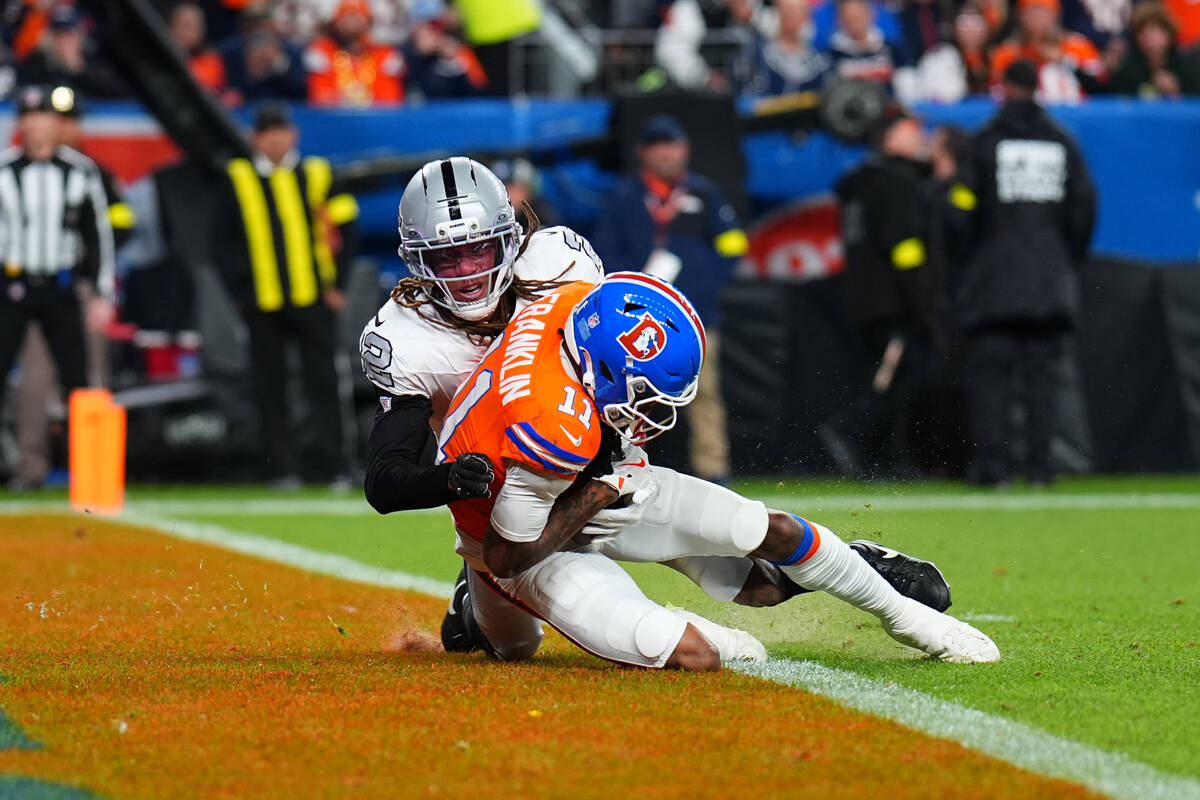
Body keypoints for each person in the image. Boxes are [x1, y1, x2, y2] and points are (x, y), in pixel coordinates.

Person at [362, 157, 955, 654]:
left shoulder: (556, 264)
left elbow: (617, 368)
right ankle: (475, 606)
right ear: (417, 260)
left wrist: (609, 459)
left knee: (748, 579)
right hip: (509, 497)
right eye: (448, 259)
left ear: (510, 238)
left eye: (480, 250)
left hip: (601, 464)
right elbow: (387, 479)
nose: (467, 274)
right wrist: (451, 481)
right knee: (512, 647)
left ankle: (849, 561)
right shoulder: (408, 340)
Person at [436, 271, 1000, 670]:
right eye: (645, 401)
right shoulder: (547, 427)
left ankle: (904, 616)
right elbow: (507, 554)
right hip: (517, 537)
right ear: (597, 370)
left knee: (766, 544)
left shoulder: (581, 302)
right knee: (681, 654)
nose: (654, 419)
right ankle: (476, 609)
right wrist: (601, 491)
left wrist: (609, 484)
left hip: (599, 483)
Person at [957, 60, 1096, 487]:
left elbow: (963, 209)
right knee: (1043, 383)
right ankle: (1040, 469)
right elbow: (1084, 207)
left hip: (994, 282)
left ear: (1003, 88)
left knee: (992, 381)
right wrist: (1061, 258)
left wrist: (971, 260)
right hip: (1050, 283)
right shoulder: (1061, 140)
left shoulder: (983, 141)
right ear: (1037, 87)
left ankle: (996, 469)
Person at [591, 114, 743, 486]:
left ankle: (714, 471)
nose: (666, 153)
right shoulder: (624, 197)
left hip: (692, 316)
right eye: (658, 145)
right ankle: (624, 467)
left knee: (704, 392)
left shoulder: (705, 193)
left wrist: (701, 286)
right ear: (644, 152)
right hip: (633, 321)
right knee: (625, 396)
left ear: (685, 149)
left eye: (672, 144)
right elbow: (604, 253)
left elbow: (733, 246)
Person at [213, 105, 360, 488]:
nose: (275, 139)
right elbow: (221, 242)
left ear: (293, 135)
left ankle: (336, 466)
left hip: (314, 298)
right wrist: (239, 294)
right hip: (261, 302)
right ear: (255, 139)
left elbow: (347, 229)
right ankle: (279, 468)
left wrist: (338, 286)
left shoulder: (319, 173)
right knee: (268, 386)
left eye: (280, 131)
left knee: (324, 382)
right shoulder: (236, 177)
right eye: (266, 132)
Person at [816, 105, 942, 479]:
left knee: (884, 378)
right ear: (889, 137)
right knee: (892, 382)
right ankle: (850, 436)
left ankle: (884, 461)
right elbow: (903, 248)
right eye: (911, 128)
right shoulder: (894, 182)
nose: (920, 135)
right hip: (893, 302)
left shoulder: (861, 185)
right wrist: (923, 303)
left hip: (862, 299)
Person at [0, 85, 115, 490]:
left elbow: (98, 234)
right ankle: (23, 469)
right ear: (20, 123)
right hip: (11, 288)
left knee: (81, 381)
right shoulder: (3, 170)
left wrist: (102, 293)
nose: (35, 125)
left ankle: (92, 475)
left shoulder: (81, 172)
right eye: (28, 117)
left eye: (43, 116)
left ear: (57, 123)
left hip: (62, 287)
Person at [988, 0, 1106, 99]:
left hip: (1077, 114)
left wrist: (1065, 61)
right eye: (1032, 14)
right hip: (1027, 118)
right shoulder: (1008, 52)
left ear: (1055, 15)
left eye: (1044, 13)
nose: (1038, 20)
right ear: (1021, 16)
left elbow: (1099, 84)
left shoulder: (1077, 46)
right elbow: (996, 92)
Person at [304, 0, 404, 107]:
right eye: (345, 14)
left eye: (357, 14)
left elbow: (391, 100)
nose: (350, 19)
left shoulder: (386, 56)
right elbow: (320, 98)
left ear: (369, 21)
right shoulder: (321, 52)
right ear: (335, 23)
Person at [731, 0, 832, 96]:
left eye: (798, 12)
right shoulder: (757, 54)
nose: (792, 17)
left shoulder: (819, 62)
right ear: (779, 13)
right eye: (788, 11)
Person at [1109, 2, 1200, 98]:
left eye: (1155, 30)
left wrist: (1175, 91)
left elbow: (1194, 104)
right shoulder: (1127, 68)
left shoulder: (1188, 65)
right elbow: (1121, 104)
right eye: (1143, 32)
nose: (1149, 37)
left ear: (1168, 32)